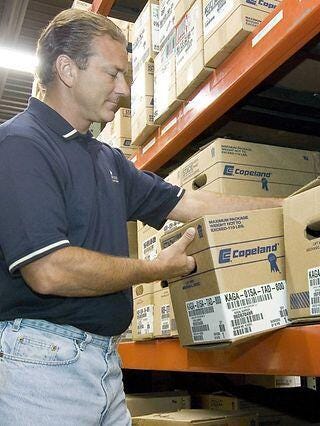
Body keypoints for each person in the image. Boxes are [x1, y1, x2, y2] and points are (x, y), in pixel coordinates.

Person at [0, 9, 281, 426]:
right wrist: (155, 269)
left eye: (127, 76)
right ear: (67, 70)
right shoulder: (21, 145)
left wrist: (291, 209)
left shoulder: (105, 159)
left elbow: (191, 205)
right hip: (40, 363)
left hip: (104, 365)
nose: (125, 89)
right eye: (113, 73)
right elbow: (49, 271)